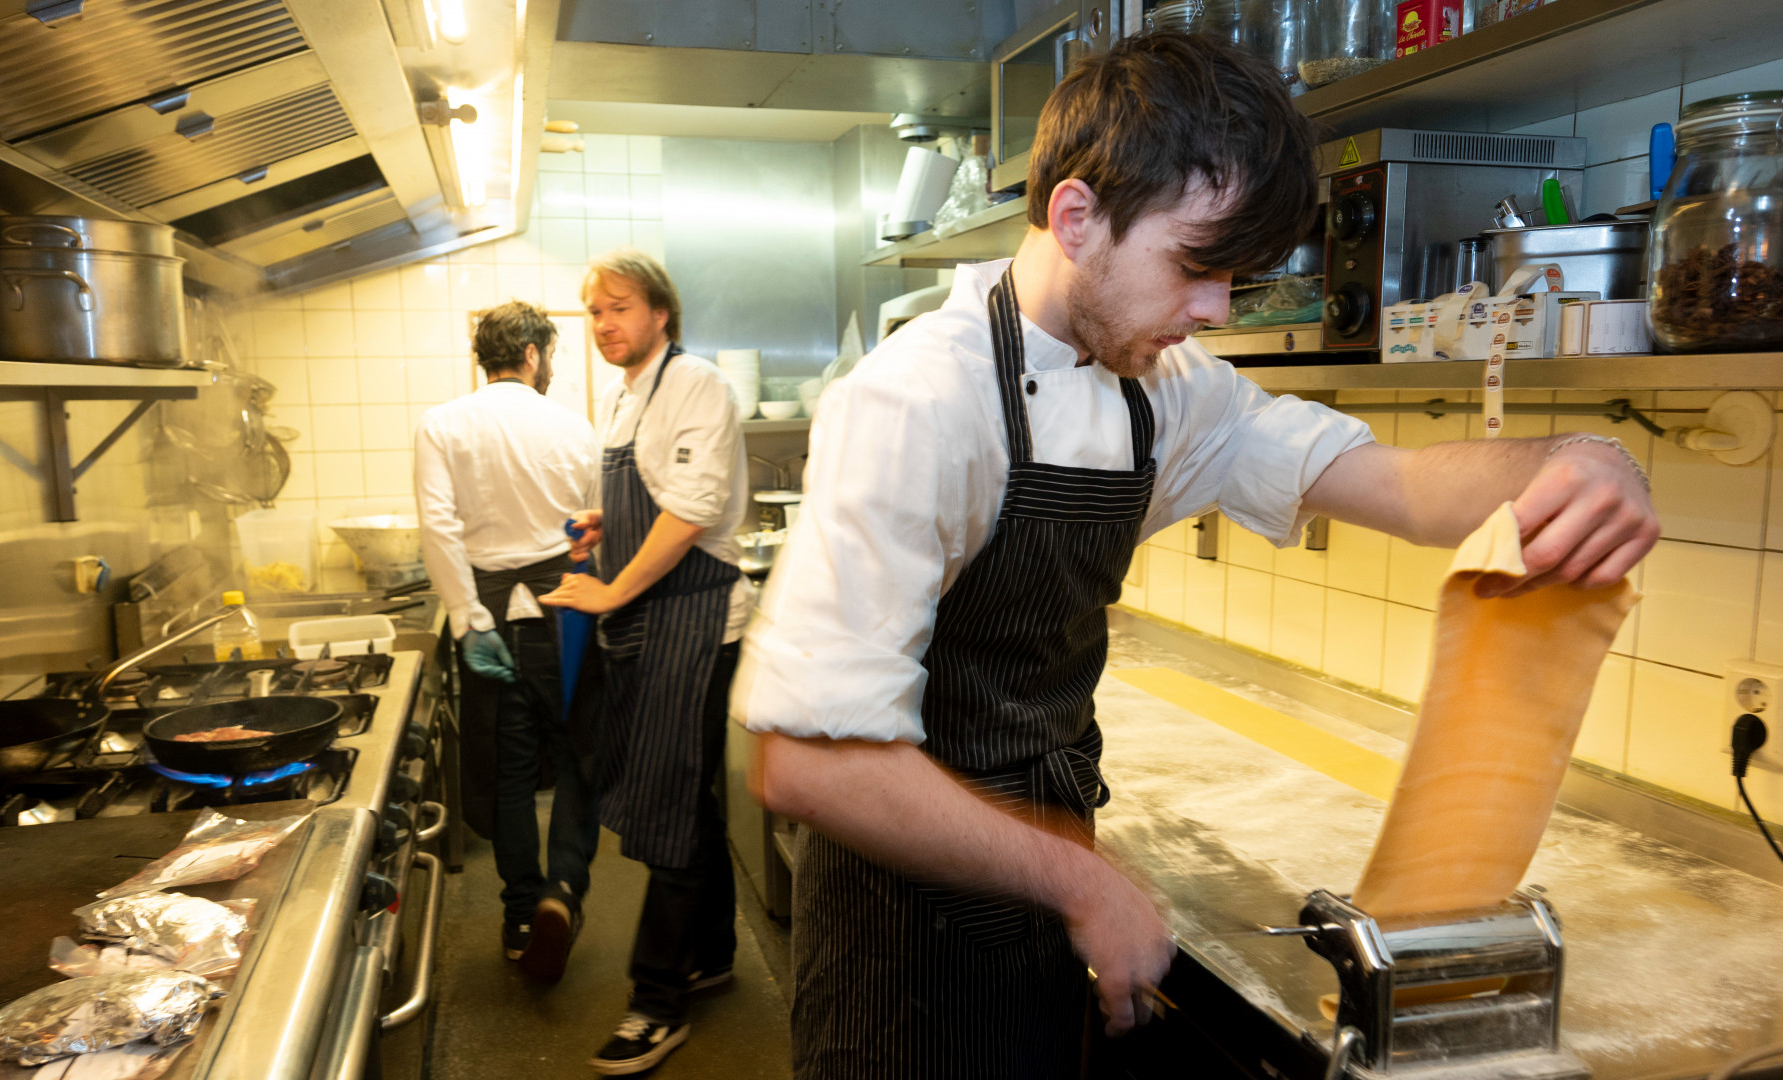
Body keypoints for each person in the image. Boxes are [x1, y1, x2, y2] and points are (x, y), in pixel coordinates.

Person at [734, 33, 1659, 1079]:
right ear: (1078, 217)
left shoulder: (1163, 387)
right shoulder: (917, 401)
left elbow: (1387, 484)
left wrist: (1582, 457)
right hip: (902, 948)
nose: (1216, 310)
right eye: (1196, 265)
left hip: (1039, 899)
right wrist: (1087, 882)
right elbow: (810, 759)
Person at [541, 248, 755, 1075]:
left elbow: (696, 509)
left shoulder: (695, 382)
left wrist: (608, 589)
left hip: (695, 619)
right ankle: (714, 954)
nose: (604, 325)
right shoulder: (629, 397)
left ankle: (656, 1003)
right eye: (595, 312)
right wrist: (606, 524)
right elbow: (660, 490)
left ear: (661, 313)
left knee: (666, 808)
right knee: (685, 801)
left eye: (619, 308)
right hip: (650, 618)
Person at [414, 300, 602, 983]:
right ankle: (564, 890)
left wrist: (468, 619)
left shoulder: (440, 425)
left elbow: (437, 530)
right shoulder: (575, 427)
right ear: (531, 353)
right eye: (546, 355)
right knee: (579, 755)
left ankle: (522, 916)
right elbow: (592, 530)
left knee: (512, 772)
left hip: (489, 607)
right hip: (567, 608)